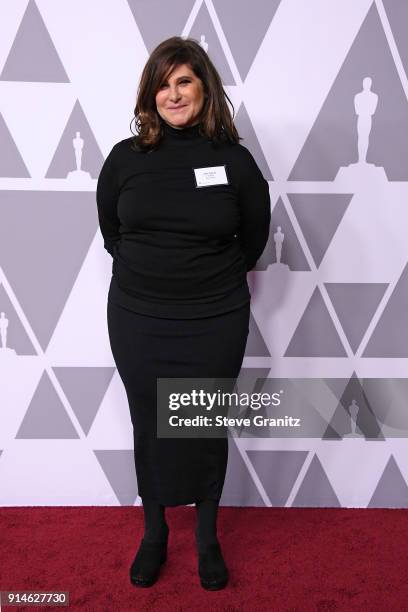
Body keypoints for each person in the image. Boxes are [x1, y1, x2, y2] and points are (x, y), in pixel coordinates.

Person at [96, 36, 271, 590]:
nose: (173, 94)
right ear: (150, 93)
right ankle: (154, 534)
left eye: (184, 82)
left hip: (214, 316)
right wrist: (154, 276)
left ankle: (207, 535)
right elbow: (112, 232)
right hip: (139, 316)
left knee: (202, 420)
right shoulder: (125, 158)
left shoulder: (234, 161)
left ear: (204, 88)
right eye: (163, 84)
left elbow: (255, 238)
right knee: (148, 420)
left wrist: (206, 281)